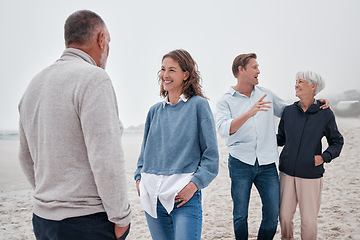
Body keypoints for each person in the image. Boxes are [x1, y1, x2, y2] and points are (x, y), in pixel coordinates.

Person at [18, 10, 131, 240]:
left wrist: (51, 197)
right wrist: (121, 217)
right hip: (85, 221)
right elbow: (106, 157)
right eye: (108, 41)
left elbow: (24, 156)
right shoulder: (94, 78)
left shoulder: (35, 84)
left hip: (43, 219)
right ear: (101, 39)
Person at [216, 53, 329, 240]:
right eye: (254, 67)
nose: (258, 71)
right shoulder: (225, 100)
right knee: (240, 215)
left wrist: (317, 103)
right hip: (240, 163)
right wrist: (249, 113)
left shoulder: (266, 94)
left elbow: (289, 110)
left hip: (267, 164)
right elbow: (223, 129)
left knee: (272, 215)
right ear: (241, 70)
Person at [134, 49, 219, 240]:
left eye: (172, 70)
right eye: (163, 69)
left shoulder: (199, 105)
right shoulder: (154, 111)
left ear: (186, 74)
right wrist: (139, 179)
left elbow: (211, 157)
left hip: (184, 197)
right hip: (152, 197)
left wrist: (193, 186)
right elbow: (144, 154)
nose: (165, 75)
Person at [277, 71, 344, 240]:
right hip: (287, 172)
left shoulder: (325, 113)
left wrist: (323, 157)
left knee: (308, 221)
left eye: (301, 81)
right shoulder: (289, 111)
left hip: (310, 174)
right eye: (296, 81)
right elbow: (280, 139)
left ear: (314, 86)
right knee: (284, 217)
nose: (296, 85)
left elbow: (337, 141)